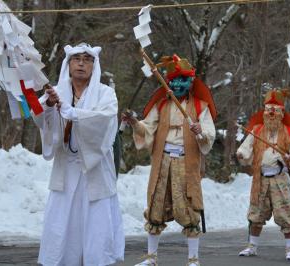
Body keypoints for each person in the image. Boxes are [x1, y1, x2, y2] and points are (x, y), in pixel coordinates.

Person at [33, 43, 124, 265]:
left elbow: (104, 120)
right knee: (62, 224)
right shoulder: (56, 91)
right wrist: (48, 106)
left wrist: (72, 112)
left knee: (96, 224)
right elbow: (38, 117)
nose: (81, 63)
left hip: (95, 169)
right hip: (66, 169)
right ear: (68, 64)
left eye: (87, 59)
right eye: (76, 59)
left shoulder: (106, 93)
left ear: (94, 65)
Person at [122, 55, 216, 266]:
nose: (176, 84)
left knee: (189, 207)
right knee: (155, 204)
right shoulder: (162, 105)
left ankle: (193, 259)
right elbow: (148, 129)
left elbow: (209, 133)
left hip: (186, 161)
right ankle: (151, 257)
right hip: (162, 161)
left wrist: (200, 131)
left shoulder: (201, 106)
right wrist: (135, 122)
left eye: (182, 79)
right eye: (173, 80)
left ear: (190, 82)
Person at [236, 89, 290, 261]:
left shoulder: (289, 132)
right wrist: (241, 154)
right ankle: (252, 246)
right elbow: (246, 148)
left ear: (282, 112)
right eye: (269, 110)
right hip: (260, 179)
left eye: (275, 110)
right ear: (264, 112)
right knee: (256, 214)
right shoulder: (257, 130)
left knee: (286, 215)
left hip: (280, 179)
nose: (272, 114)